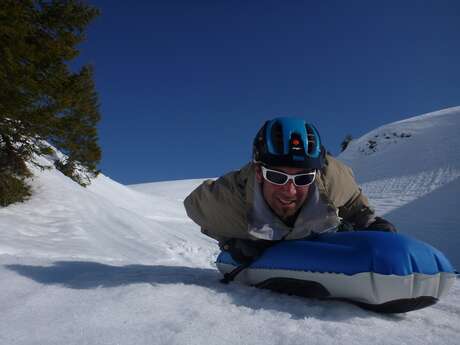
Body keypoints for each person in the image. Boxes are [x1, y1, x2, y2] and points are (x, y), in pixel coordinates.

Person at [184, 117, 396, 265]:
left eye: (303, 178)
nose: (290, 191)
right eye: (277, 177)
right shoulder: (229, 200)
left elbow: (355, 205)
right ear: (258, 172)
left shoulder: (334, 179)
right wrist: (230, 241)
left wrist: (371, 223)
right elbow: (194, 207)